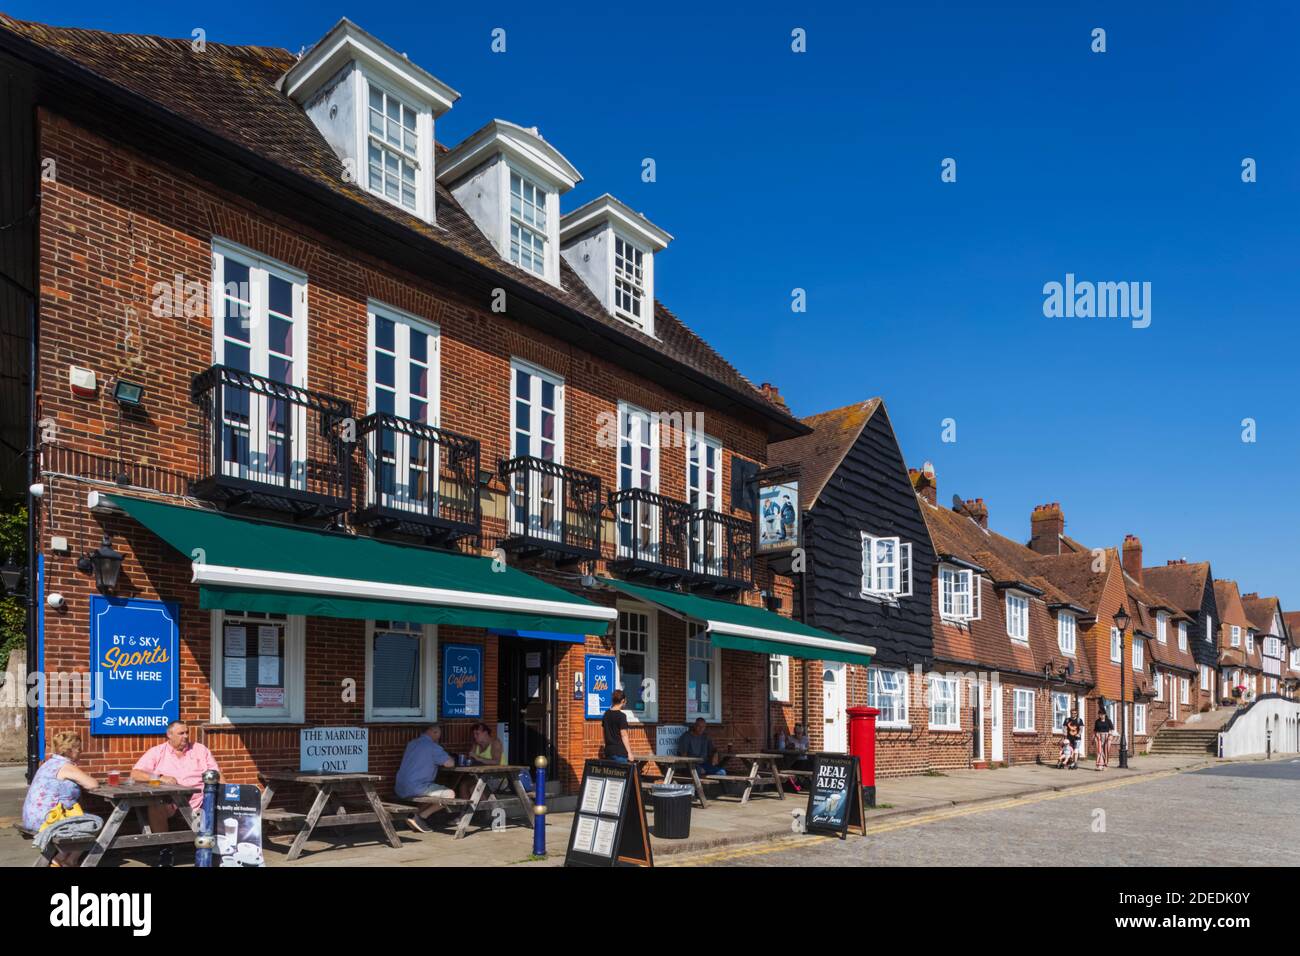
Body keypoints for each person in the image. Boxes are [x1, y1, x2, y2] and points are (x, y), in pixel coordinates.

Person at [23, 731, 101, 866]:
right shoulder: (65, 766)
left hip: (32, 817)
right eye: (79, 748)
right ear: (70, 750)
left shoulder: (48, 763)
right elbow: (93, 784)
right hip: (48, 819)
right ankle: (64, 859)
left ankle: (66, 859)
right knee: (95, 822)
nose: (81, 751)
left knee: (82, 820)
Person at [132, 721, 220, 835]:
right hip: (170, 803)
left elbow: (216, 773)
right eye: (181, 733)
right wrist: (160, 778)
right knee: (155, 805)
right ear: (169, 735)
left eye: (187, 732)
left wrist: (227, 794)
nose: (186, 736)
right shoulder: (157, 752)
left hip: (200, 802)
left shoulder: (200, 750)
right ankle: (163, 846)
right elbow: (135, 774)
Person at [396, 724, 458, 832]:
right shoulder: (433, 747)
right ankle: (422, 817)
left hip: (400, 787)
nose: (439, 737)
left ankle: (413, 817)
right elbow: (450, 763)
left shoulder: (412, 743)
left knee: (432, 794)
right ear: (434, 732)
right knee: (449, 795)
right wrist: (450, 756)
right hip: (417, 786)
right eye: (439, 734)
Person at [602, 689, 633, 763]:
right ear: (623, 701)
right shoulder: (621, 716)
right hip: (619, 753)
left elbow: (604, 733)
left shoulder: (606, 714)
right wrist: (629, 753)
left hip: (608, 751)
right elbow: (624, 735)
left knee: (610, 774)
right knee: (623, 774)